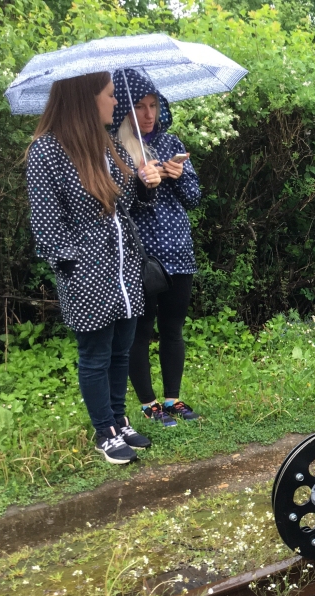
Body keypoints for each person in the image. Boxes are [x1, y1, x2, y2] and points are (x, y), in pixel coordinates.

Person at [27, 71, 163, 464]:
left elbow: (124, 208)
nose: (115, 103)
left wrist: (144, 184)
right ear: (85, 99)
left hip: (123, 268)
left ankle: (119, 420)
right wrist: (76, 268)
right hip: (87, 274)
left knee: (121, 349)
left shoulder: (103, 147)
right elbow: (48, 228)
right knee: (96, 352)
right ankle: (104, 431)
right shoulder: (46, 151)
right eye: (108, 96)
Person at [112, 69, 203, 427]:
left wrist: (178, 178)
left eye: (153, 105)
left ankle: (172, 398)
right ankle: (149, 403)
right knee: (141, 330)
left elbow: (194, 198)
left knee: (173, 327)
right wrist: (139, 181)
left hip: (179, 250)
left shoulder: (172, 143)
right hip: (142, 257)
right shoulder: (117, 149)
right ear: (125, 111)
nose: (148, 114)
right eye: (139, 106)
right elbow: (114, 207)